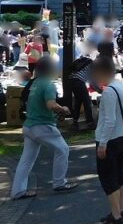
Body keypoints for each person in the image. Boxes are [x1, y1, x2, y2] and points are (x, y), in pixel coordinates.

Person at [9, 56, 78, 199]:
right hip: (43, 125)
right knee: (62, 149)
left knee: (26, 159)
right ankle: (59, 183)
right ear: (50, 69)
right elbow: (51, 105)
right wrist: (63, 109)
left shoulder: (34, 83)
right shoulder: (48, 84)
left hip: (29, 126)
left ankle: (18, 191)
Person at [93, 56, 123, 224]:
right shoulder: (121, 86)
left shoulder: (109, 91)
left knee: (108, 179)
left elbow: (109, 120)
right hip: (121, 137)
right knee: (118, 175)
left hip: (110, 139)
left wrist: (102, 144)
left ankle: (116, 217)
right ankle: (120, 211)